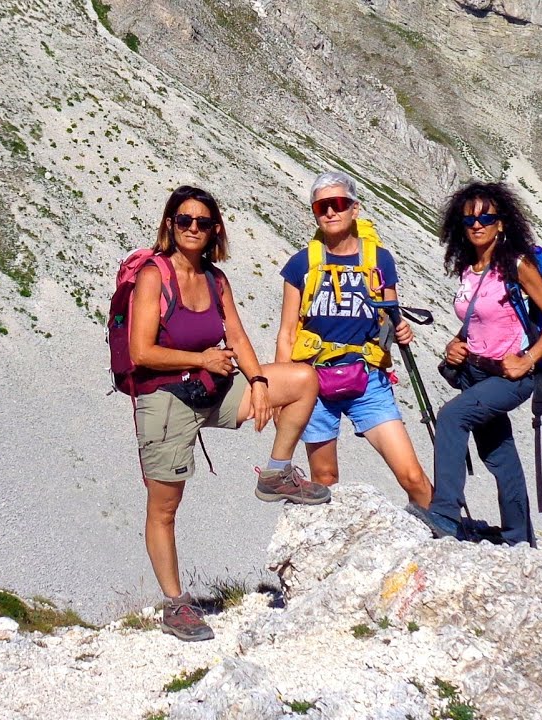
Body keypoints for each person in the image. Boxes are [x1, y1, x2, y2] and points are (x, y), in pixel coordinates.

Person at [129, 185, 328, 642]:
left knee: (301, 381)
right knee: (165, 507)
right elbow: (142, 352)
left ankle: (275, 472)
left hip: (214, 385)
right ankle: (176, 604)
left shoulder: (216, 279)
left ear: (215, 229)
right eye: (184, 221)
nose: (193, 229)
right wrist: (201, 359)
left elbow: (236, 338)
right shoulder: (153, 276)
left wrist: (258, 382)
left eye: (203, 222)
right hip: (166, 401)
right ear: (169, 225)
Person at [415, 181, 542, 547]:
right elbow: (480, 320)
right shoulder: (470, 268)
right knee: (499, 454)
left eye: (487, 217)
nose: (477, 224)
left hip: (511, 375)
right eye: (469, 219)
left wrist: (528, 359)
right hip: (476, 371)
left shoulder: (517, 265)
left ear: (502, 222)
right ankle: (519, 538)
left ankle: (445, 515)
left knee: (453, 416)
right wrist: (456, 343)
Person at [275, 171, 434, 511]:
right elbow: (287, 331)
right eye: (322, 207)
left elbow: (390, 318)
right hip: (312, 383)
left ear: (354, 209)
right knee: (325, 479)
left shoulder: (379, 260)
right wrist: (281, 392)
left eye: (339, 204)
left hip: (368, 379)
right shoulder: (301, 264)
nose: (330, 212)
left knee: (413, 477)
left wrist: (401, 330)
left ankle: (443, 541)